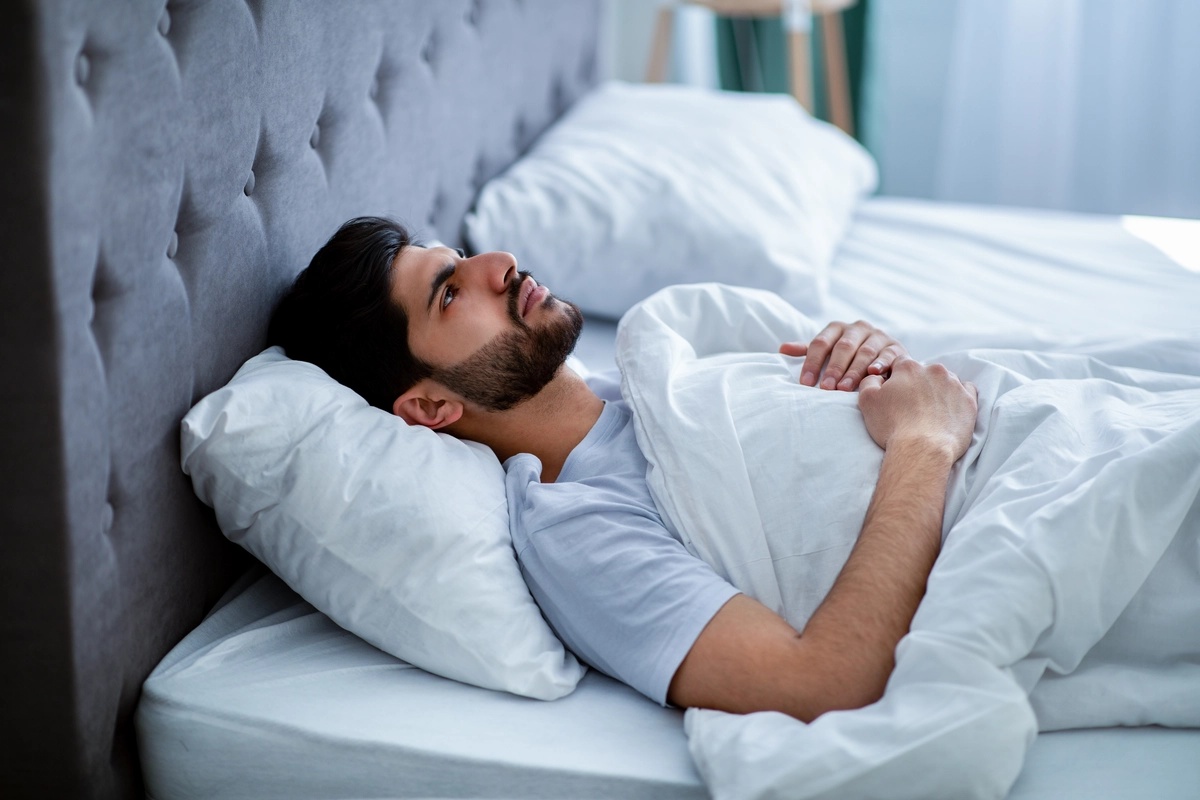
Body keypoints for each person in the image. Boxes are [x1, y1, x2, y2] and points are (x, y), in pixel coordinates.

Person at [268, 217, 979, 722]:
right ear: (427, 406)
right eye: (450, 293)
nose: (499, 263)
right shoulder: (576, 530)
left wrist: (865, 355)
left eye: (459, 254)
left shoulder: (645, 378)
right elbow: (819, 682)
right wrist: (923, 443)